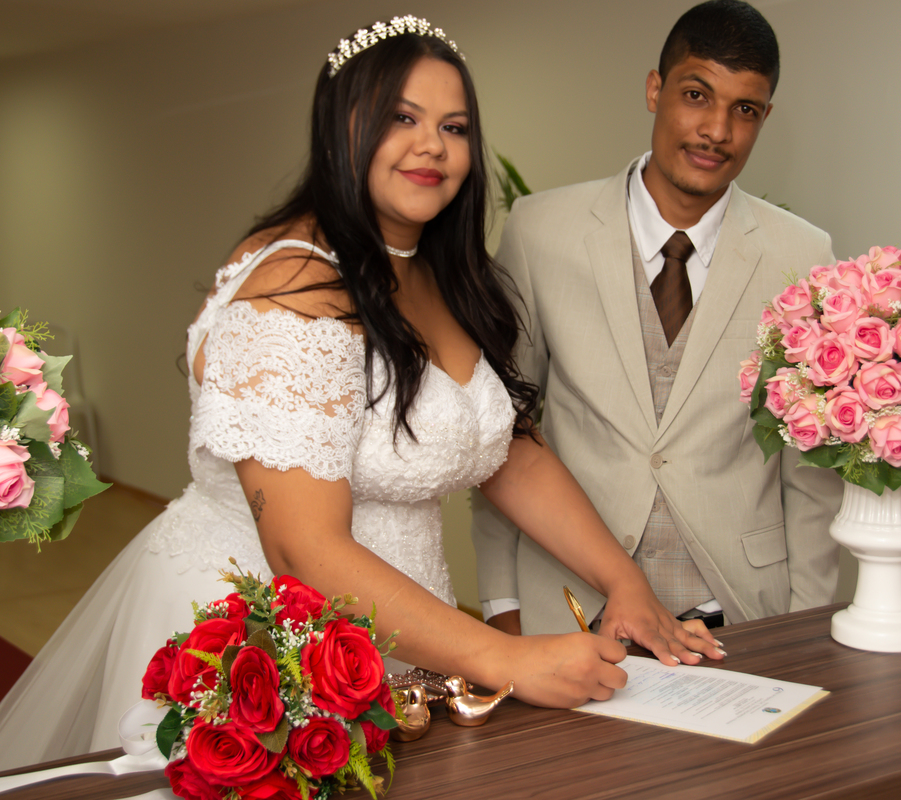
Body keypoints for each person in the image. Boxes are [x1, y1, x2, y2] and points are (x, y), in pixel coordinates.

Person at [0, 16, 720, 771]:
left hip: (404, 633)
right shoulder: (294, 284)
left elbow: (505, 450)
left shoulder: (442, 273)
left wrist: (624, 581)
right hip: (265, 645)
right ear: (343, 126)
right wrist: (505, 657)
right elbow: (301, 548)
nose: (432, 145)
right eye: (402, 118)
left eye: (453, 127)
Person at [472, 0, 843, 637]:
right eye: (697, 95)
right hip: (567, 606)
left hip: (739, 612)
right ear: (654, 89)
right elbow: (502, 427)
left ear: (764, 118)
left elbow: (809, 472)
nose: (716, 130)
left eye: (744, 110)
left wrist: (804, 626)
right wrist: (501, 605)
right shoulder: (541, 232)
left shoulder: (803, 256)